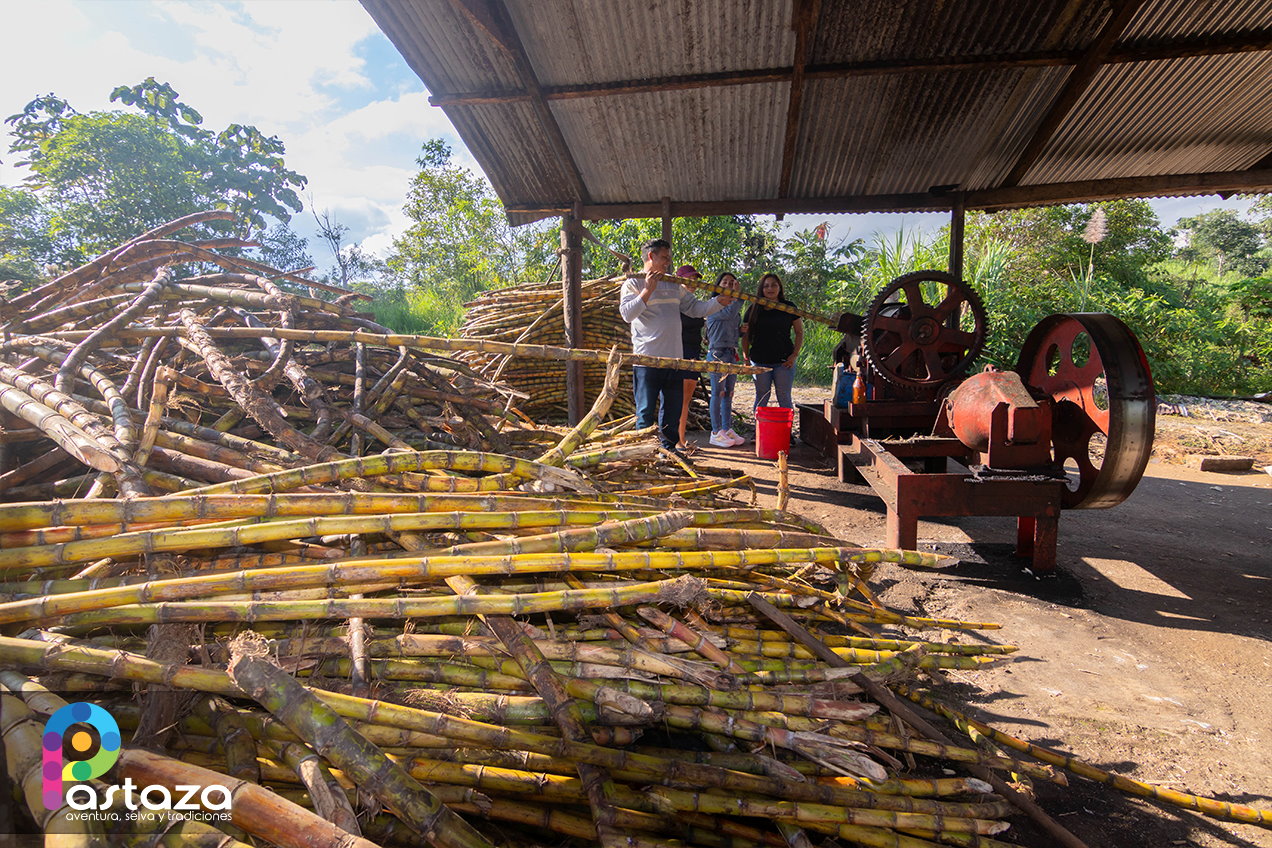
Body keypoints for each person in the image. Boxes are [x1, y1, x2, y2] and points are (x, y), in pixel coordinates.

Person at [618, 239, 733, 451]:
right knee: (645, 411)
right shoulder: (633, 284)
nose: (668, 263)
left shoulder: (673, 285)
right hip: (646, 359)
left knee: (672, 409)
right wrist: (647, 291)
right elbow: (627, 315)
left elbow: (695, 308)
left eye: (669, 258)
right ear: (651, 257)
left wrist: (718, 302)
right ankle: (642, 453)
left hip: (674, 360)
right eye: (664, 258)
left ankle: (668, 451)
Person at [741, 272, 803, 410]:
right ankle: (758, 429)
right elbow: (745, 335)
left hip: (784, 362)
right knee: (762, 395)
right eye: (766, 286)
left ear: (779, 288)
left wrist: (794, 355)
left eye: (774, 285)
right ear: (761, 289)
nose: (770, 289)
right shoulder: (754, 308)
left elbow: (799, 332)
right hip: (759, 360)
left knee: (784, 395)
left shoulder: (788, 307)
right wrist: (746, 357)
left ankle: (786, 429)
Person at [705, 272, 746, 447]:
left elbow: (732, 328)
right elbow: (728, 314)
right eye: (725, 282)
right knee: (718, 393)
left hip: (731, 352)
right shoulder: (713, 306)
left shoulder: (733, 309)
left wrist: (741, 331)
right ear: (718, 286)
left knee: (728, 393)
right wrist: (739, 296)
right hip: (717, 354)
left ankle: (726, 428)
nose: (729, 285)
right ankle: (716, 432)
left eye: (732, 282)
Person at [675, 264, 705, 450]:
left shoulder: (694, 303)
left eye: (695, 279)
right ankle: (674, 440)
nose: (693, 282)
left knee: (686, 400)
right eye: (689, 279)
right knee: (676, 399)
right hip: (679, 353)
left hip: (693, 353)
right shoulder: (673, 304)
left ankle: (681, 439)